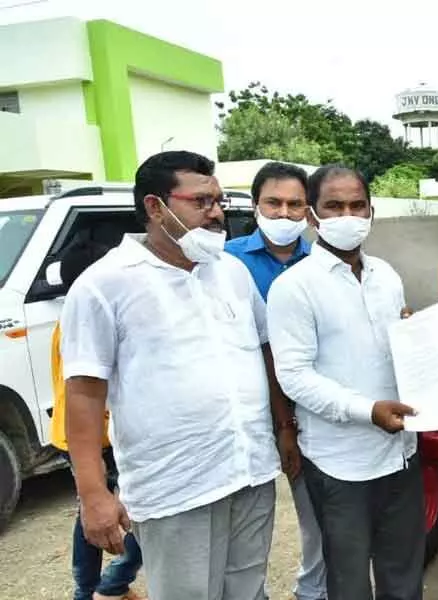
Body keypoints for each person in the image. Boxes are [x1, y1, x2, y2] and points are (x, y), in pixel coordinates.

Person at [60, 151, 282, 600]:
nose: (217, 213)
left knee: (248, 592)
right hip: (178, 489)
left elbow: (264, 352)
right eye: (201, 201)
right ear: (155, 207)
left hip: (251, 472)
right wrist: (93, 494)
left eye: (218, 200)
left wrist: (285, 429)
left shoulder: (231, 271)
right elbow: (83, 394)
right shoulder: (105, 285)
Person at [267, 164, 424, 600]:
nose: (347, 215)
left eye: (357, 205)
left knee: (404, 576)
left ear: (371, 211)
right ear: (313, 217)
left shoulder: (386, 277)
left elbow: (396, 350)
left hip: (401, 454)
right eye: (333, 206)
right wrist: (367, 410)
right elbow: (294, 377)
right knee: (348, 584)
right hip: (340, 465)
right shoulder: (293, 288)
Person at [224, 161, 326, 600]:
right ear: (255, 205)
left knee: (319, 516)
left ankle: (313, 591)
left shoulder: (324, 263)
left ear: (308, 211)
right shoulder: (224, 262)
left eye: (295, 205)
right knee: (241, 527)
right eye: (274, 203)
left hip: (311, 412)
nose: (284, 214)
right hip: (245, 416)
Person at [51, 240, 144, 600]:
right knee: (137, 512)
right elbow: (89, 390)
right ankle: (110, 586)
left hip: (69, 434)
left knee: (90, 514)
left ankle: (88, 589)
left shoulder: (68, 318)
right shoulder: (88, 317)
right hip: (99, 436)